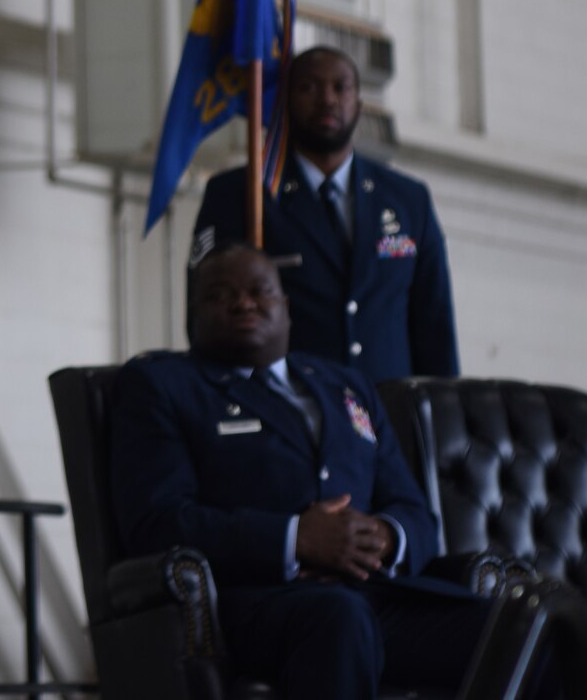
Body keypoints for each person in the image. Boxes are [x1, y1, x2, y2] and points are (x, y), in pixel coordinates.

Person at [109, 243, 552, 699]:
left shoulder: (347, 385)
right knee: (338, 618)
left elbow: (416, 513)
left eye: (259, 291)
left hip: (375, 596)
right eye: (219, 295)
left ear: (286, 307)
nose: (243, 302)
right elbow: (157, 521)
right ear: (193, 314)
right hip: (255, 604)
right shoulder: (162, 386)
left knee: (527, 631)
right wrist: (295, 538)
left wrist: (383, 536)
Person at [192, 45, 458, 382]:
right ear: (285, 102)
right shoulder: (240, 194)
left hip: (390, 416)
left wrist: (444, 416)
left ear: (358, 105)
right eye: (309, 87)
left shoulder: (408, 199)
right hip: (286, 410)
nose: (327, 100)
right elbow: (205, 318)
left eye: (340, 87)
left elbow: (434, 321)